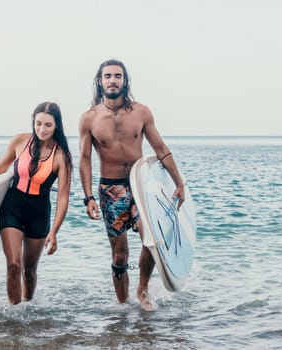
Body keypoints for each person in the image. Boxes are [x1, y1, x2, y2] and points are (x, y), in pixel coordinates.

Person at [78, 59, 185, 311]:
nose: (113, 80)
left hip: (140, 186)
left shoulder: (141, 112)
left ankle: (143, 288)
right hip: (110, 190)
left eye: (118, 75)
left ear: (125, 81)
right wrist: (88, 197)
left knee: (152, 239)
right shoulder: (89, 119)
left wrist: (178, 183)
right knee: (119, 254)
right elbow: (84, 159)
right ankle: (122, 307)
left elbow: (160, 149)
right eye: (108, 76)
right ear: (100, 81)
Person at [0, 102, 73, 305]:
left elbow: (62, 197)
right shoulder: (20, 141)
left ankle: (28, 309)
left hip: (39, 214)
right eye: (38, 123)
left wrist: (54, 231)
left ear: (56, 126)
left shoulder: (61, 156)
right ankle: (14, 315)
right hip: (12, 207)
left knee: (29, 271)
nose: (42, 129)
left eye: (48, 125)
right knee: (13, 265)